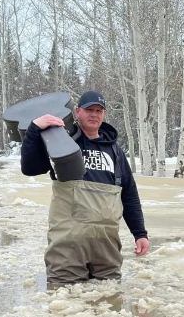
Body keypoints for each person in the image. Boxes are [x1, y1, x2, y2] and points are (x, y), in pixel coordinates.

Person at [21, 90, 149, 284]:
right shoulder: (61, 142)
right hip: (67, 246)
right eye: (89, 109)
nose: (94, 114)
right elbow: (30, 168)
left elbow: (129, 194)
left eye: (99, 110)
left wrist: (140, 233)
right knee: (65, 302)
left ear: (104, 114)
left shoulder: (115, 151)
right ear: (77, 112)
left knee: (108, 299)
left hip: (106, 247)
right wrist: (34, 130)